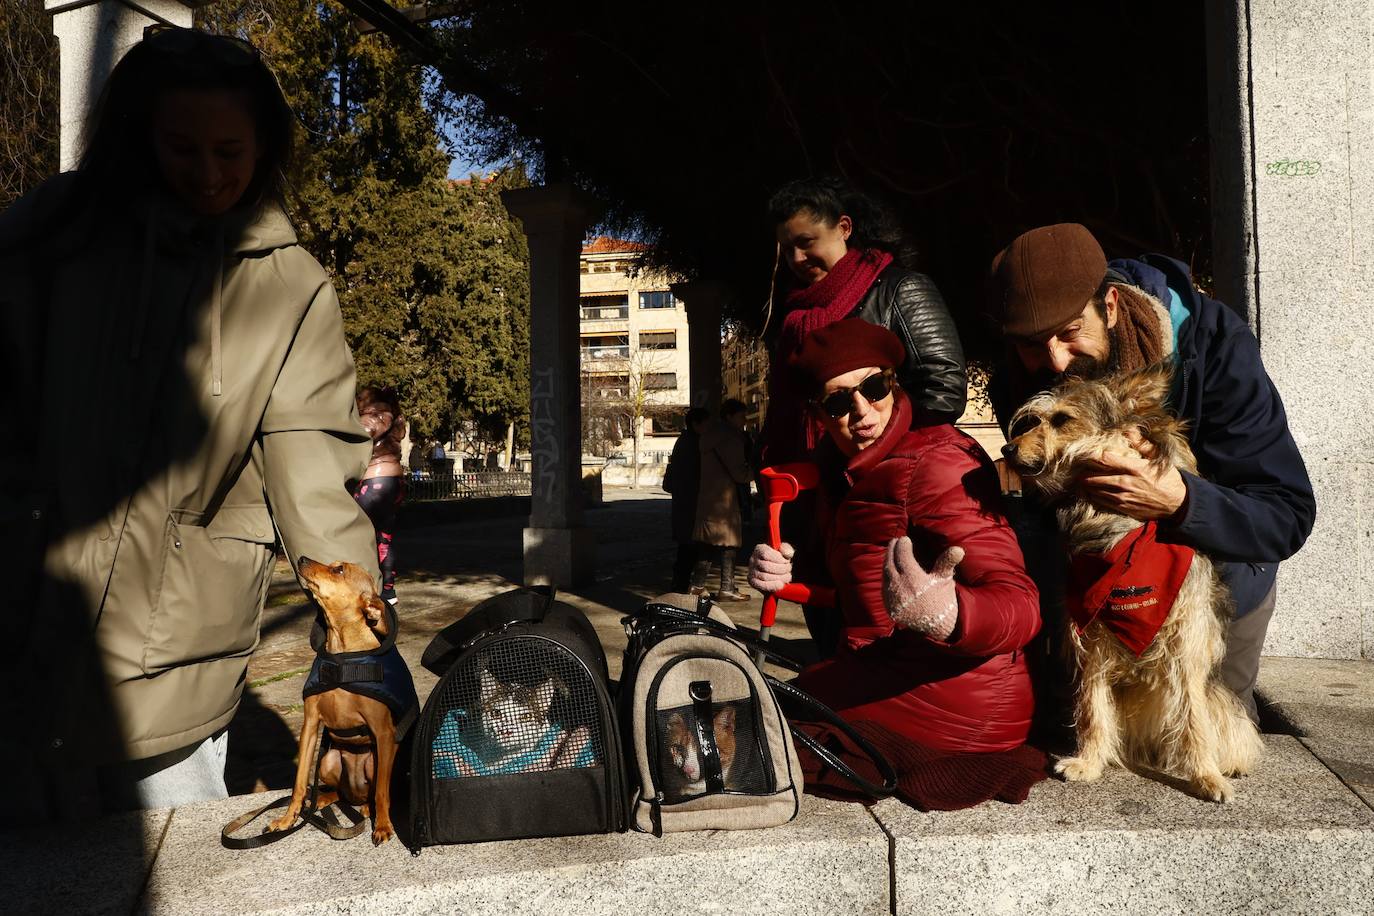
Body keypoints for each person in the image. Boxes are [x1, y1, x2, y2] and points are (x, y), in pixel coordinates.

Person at [0, 27, 381, 820]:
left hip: (179, 659)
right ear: (137, 138)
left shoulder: (290, 287)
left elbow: (313, 473)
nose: (208, 175)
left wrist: (358, 646)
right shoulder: (47, 236)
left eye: (230, 151)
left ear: (264, 149)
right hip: (23, 632)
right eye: (181, 147)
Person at [985, 223, 1316, 722]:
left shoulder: (1215, 345)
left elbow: (1284, 515)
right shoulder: (1025, 372)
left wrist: (1180, 499)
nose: (1054, 360)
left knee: (1204, 732)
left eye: (1071, 332)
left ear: (1111, 305)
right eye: (1033, 344)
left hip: (1210, 582)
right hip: (1085, 585)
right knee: (1067, 729)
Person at [748, 320, 1046, 810]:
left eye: (874, 387)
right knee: (765, 704)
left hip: (966, 697)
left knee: (765, 720)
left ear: (895, 382)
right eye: (839, 402)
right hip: (895, 669)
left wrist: (951, 615)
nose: (862, 412)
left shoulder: (937, 463)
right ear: (819, 415)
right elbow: (859, 595)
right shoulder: (844, 471)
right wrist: (790, 578)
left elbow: (1020, 600)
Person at [761, 176, 967, 466]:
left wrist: (882, 455)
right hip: (818, 483)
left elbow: (944, 389)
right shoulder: (794, 316)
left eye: (806, 242)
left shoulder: (900, 289)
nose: (797, 258)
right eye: (787, 248)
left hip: (891, 472)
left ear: (844, 228)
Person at [692, 400, 753, 601]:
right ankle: (726, 587)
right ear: (729, 416)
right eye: (741, 416)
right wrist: (755, 472)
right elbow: (739, 474)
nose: (745, 420)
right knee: (729, 545)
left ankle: (697, 586)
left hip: (709, 497)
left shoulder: (709, 436)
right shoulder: (730, 439)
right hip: (724, 500)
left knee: (709, 545)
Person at [354, 386, 407, 607]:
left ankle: (371, 586)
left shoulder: (377, 412)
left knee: (359, 532)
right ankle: (388, 589)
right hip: (391, 481)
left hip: (376, 480)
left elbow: (366, 430)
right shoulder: (392, 415)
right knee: (383, 537)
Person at [662, 406, 710, 592]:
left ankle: (680, 584)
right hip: (690, 505)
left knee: (687, 548)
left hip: (685, 505)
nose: (709, 427)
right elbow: (692, 477)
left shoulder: (684, 441)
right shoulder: (693, 444)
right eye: (706, 423)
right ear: (696, 424)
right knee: (689, 549)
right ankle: (680, 586)